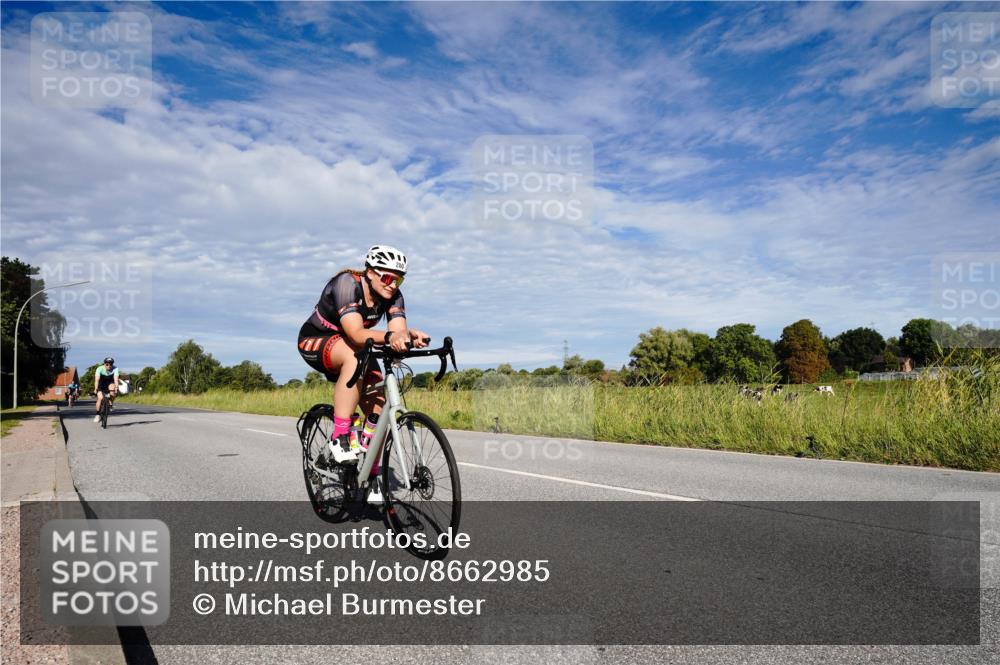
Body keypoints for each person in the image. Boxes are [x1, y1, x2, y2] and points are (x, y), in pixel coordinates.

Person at [297, 245, 428, 501]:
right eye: (388, 277)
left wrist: (407, 338)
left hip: (356, 347)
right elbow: (356, 334)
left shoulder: (394, 296)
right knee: (353, 353)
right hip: (317, 340)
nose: (393, 284)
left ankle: (372, 472)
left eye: (399, 279)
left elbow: (397, 333)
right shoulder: (346, 284)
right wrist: (391, 336)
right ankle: (340, 436)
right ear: (370, 272)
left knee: (380, 404)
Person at [93, 357, 120, 423]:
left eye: (110, 364)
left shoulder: (115, 368)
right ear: (104, 364)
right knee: (100, 398)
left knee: (113, 391)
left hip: (110, 382)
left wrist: (116, 387)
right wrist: (96, 388)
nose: (109, 366)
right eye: (107, 364)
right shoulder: (99, 368)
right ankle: (97, 415)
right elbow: (97, 380)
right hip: (101, 383)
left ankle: (111, 403)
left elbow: (116, 379)